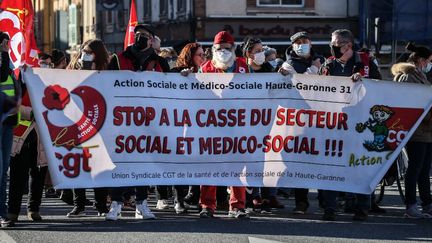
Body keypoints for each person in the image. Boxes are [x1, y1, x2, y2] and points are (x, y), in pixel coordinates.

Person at [106, 24, 170, 221]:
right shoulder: (119, 58)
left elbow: (170, 88)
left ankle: (141, 203)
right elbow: (106, 84)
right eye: (137, 34)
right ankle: (116, 203)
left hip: (149, 121)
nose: (140, 37)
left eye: (145, 35)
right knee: (119, 162)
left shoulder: (159, 62)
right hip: (122, 121)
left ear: (152, 40)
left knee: (144, 162)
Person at [318, 29, 381, 221]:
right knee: (331, 166)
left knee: (359, 167)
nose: (333, 47)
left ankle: (362, 207)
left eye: (336, 44)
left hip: (360, 124)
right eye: (332, 43)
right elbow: (317, 89)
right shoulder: (329, 65)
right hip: (335, 125)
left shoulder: (366, 63)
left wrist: (365, 83)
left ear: (348, 45)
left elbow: (380, 87)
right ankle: (330, 207)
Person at [198, 31, 249, 219]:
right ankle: (207, 205)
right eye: (219, 49)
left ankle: (237, 206)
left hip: (237, 124)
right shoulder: (205, 68)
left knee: (237, 166)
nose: (223, 52)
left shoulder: (243, 67)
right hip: (212, 125)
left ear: (233, 49)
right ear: (213, 49)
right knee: (209, 166)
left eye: (227, 49)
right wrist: (186, 77)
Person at [279, 31, 324, 214]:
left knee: (322, 160)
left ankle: (326, 200)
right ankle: (301, 202)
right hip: (297, 121)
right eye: (298, 42)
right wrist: (313, 70)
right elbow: (302, 85)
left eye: (305, 41)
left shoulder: (322, 61)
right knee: (300, 162)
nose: (302, 44)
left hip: (320, 119)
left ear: (311, 43)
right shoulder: (288, 65)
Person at [65, 39, 110, 217]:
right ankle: (79, 204)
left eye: (90, 51)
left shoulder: (107, 69)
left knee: (99, 165)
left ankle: (100, 205)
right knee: (79, 164)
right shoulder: (74, 67)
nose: (86, 54)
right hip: (78, 123)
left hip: (100, 122)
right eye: (84, 50)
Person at [391, 42, 432, 218]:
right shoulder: (408, 76)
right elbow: (410, 104)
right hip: (416, 130)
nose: (430, 64)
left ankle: (427, 203)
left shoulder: (418, 74)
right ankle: (411, 205)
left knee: (423, 168)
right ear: (421, 60)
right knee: (415, 168)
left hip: (426, 130)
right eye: (429, 60)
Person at [7, 56, 50, 223]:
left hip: (41, 135)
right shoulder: (17, 82)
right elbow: (11, 104)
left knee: (38, 174)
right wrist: (31, 112)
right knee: (18, 176)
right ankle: (12, 212)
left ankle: (33, 209)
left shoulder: (46, 83)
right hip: (20, 135)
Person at [168, 42, 206, 213]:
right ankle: (179, 200)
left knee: (199, 162)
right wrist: (180, 79)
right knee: (181, 163)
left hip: (201, 126)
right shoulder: (177, 73)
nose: (203, 58)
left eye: (204, 54)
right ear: (190, 56)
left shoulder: (207, 73)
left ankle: (194, 195)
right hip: (181, 126)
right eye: (200, 55)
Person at [0, 31, 21, 228]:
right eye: (5, 42)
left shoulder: (9, 63)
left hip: (7, 122)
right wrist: (4, 53)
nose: (8, 44)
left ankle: (2, 212)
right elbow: (1, 75)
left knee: (3, 171)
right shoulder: (4, 61)